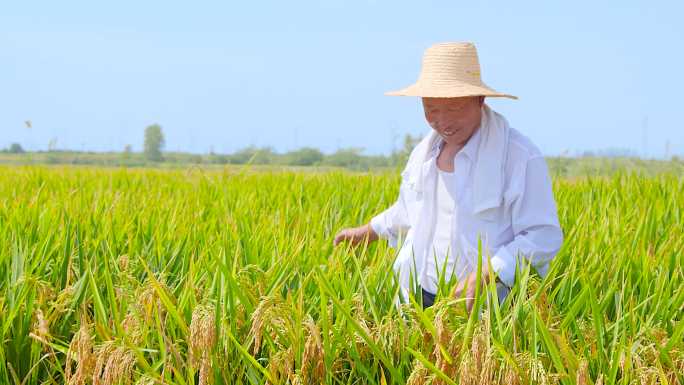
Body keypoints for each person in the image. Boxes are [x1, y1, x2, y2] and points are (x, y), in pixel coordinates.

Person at [333, 42, 564, 312]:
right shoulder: (424, 152)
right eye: (431, 109)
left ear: (480, 100)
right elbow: (408, 210)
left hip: (487, 307)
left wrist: (489, 272)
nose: (443, 121)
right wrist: (367, 232)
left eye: (453, 109)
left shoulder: (519, 157)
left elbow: (542, 236)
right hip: (420, 296)